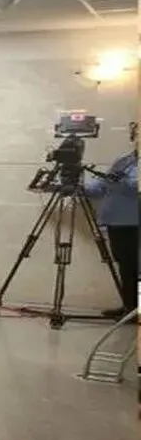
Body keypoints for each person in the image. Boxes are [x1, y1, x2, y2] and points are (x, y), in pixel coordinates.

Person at [84, 122, 139, 316]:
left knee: (137, 268)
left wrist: (116, 181)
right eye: (136, 132)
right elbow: (102, 186)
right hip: (117, 223)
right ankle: (130, 308)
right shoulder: (124, 161)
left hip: (135, 224)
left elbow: (133, 187)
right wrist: (78, 186)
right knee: (125, 266)